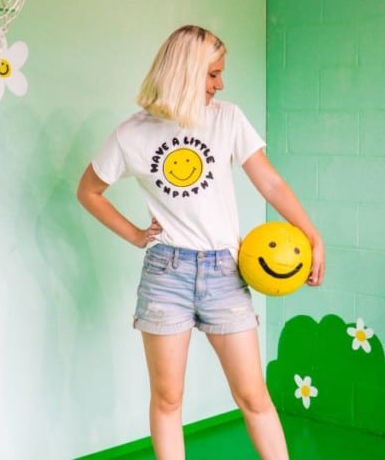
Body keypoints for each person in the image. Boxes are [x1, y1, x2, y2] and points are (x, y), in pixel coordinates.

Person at [76, 25, 325, 460]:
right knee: (168, 400)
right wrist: (136, 234)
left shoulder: (227, 118)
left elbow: (269, 182)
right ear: (185, 74)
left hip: (224, 272)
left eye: (220, 74)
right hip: (165, 276)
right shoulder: (132, 133)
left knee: (253, 397)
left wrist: (312, 235)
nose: (220, 84)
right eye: (212, 74)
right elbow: (89, 191)